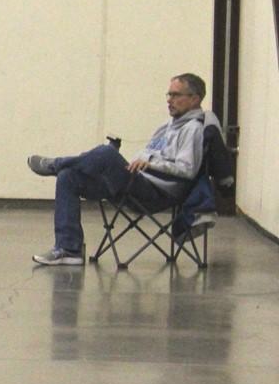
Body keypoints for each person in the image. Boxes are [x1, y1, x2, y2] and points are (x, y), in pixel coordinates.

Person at [28, 73, 209, 266]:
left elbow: (187, 169)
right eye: (169, 94)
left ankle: (55, 164)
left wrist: (151, 164)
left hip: (156, 193)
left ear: (194, 99)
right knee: (68, 177)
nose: (169, 100)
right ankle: (69, 250)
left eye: (176, 95)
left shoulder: (193, 129)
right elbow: (147, 154)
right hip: (136, 183)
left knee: (107, 154)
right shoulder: (168, 126)